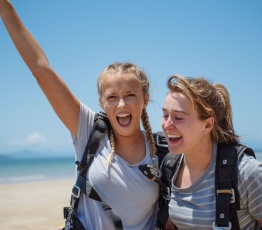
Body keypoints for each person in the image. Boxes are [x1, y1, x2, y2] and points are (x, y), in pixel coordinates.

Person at [0, 1, 162, 229]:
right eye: (112, 97)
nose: (122, 103)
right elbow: (41, 70)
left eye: (130, 95)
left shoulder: (163, 150)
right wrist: (5, 8)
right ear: (101, 103)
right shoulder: (88, 129)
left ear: (145, 99)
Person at [161, 74, 262, 229]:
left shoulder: (246, 172)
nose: (166, 125)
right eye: (165, 115)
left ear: (207, 125)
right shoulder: (169, 167)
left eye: (178, 117)